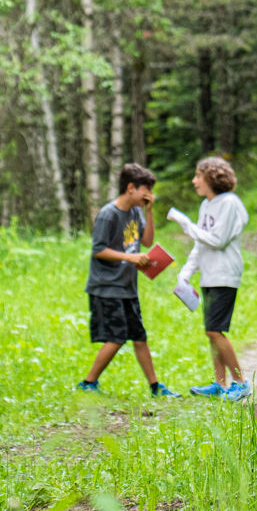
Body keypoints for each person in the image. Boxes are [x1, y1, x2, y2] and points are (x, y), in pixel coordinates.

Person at [76, 163, 181, 398]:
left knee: (139, 336)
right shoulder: (108, 214)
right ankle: (88, 382)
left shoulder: (135, 212)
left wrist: (149, 211)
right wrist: (130, 258)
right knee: (117, 337)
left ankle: (155, 387)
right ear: (130, 188)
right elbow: (98, 249)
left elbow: (146, 240)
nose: (149, 195)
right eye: (146, 190)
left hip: (127, 286)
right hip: (107, 286)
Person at [169, 156, 252, 402]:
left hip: (225, 274)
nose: (194, 181)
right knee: (211, 331)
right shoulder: (206, 205)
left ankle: (240, 383)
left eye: (198, 176)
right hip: (209, 275)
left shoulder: (230, 203)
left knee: (216, 331)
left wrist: (185, 223)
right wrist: (185, 274)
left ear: (212, 177)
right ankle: (220, 383)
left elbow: (217, 241)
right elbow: (201, 243)